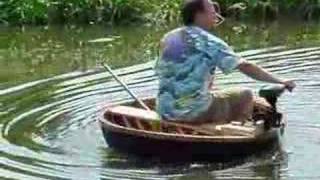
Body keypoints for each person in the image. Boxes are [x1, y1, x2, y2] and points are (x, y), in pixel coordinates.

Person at [156, 0, 296, 124]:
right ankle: (241, 130)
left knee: (213, 91)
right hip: (193, 112)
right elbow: (245, 66)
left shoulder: (168, 38)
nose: (216, 17)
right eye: (212, 12)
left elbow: (164, 73)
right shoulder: (209, 41)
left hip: (164, 110)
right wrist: (280, 81)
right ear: (199, 15)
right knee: (245, 94)